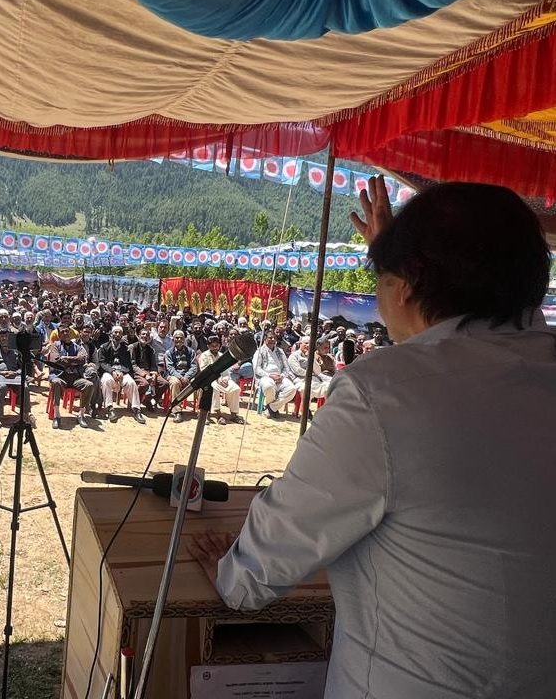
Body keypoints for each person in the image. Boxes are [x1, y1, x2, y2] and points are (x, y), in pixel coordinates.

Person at [187, 177, 556, 699]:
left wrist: (233, 573)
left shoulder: (383, 394)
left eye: (379, 279)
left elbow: (257, 574)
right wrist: (399, 260)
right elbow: (469, 330)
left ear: (407, 281)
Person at [47, 324, 93, 429]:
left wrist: (67, 358)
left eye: (67, 331)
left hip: (75, 377)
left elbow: (83, 359)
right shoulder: (55, 345)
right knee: (56, 383)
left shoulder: (77, 346)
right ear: (59, 334)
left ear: (70, 333)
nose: (65, 333)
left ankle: (81, 415)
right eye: (62, 332)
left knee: (89, 385)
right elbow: (56, 361)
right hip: (60, 376)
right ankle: (57, 415)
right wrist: (74, 360)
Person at [0, 330, 34, 427]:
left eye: (6, 336)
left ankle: (26, 414)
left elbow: (22, 367)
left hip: (14, 375)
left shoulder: (16, 351)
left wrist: (15, 373)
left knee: (25, 387)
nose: (4, 338)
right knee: (2, 387)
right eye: (2, 336)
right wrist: (1, 372)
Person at [98, 325, 145, 424]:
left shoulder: (126, 348)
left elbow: (128, 363)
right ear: (111, 334)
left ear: (122, 335)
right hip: (109, 372)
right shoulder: (104, 347)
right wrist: (112, 371)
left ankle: (136, 409)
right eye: (115, 332)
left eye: (119, 333)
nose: (117, 334)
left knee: (131, 383)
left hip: (122, 373)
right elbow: (102, 362)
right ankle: (110, 408)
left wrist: (122, 372)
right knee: (106, 380)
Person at [198, 334, 243, 424]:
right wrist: (217, 379)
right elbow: (204, 371)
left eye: (217, 346)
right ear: (208, 346)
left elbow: (226, 371)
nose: (215, 348)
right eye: (212, 346)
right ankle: (218, 413)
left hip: (222, 380)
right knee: (214, 388)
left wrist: (226, 379)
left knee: (235, 389)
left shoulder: (222, 355)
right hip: (208, 380)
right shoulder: (204, 355)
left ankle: (234, 414)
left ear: (220, 345)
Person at [253, 329, 297, 420]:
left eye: (274, 338)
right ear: (265, 339)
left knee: (292, 389)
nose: (272, 339)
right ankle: (273, 409)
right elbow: (257, 368)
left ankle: (271, 408)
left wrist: (282, 376)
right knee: (268, 386)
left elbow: (286, 368)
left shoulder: (280, 351)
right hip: (265, 376)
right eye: (270, 338)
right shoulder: (260, 351)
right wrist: (270, 375)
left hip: (280, 376)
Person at [164, 330, 197, 423]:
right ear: (173, 339)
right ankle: (177, 411)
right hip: (173, 375)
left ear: (184, 339)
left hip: (187, 376)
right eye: (176, 338)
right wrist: (180, 377)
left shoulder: (191, 352)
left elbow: (194, 367)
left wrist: (186, 377)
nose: (179, 340)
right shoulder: (169, 353)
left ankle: (201, 411)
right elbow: (170, 368)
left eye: (181, 338)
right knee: (175, 383)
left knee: (200, 382)